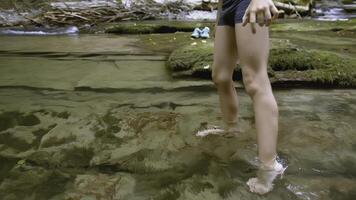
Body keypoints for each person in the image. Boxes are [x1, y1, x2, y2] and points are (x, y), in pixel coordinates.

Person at [198, 0, 288, 195]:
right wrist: (219, 19)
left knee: (255, 80)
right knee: (220, 76)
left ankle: (270, 167)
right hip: (227, 7)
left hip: (248, 3)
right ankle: (231, 129)